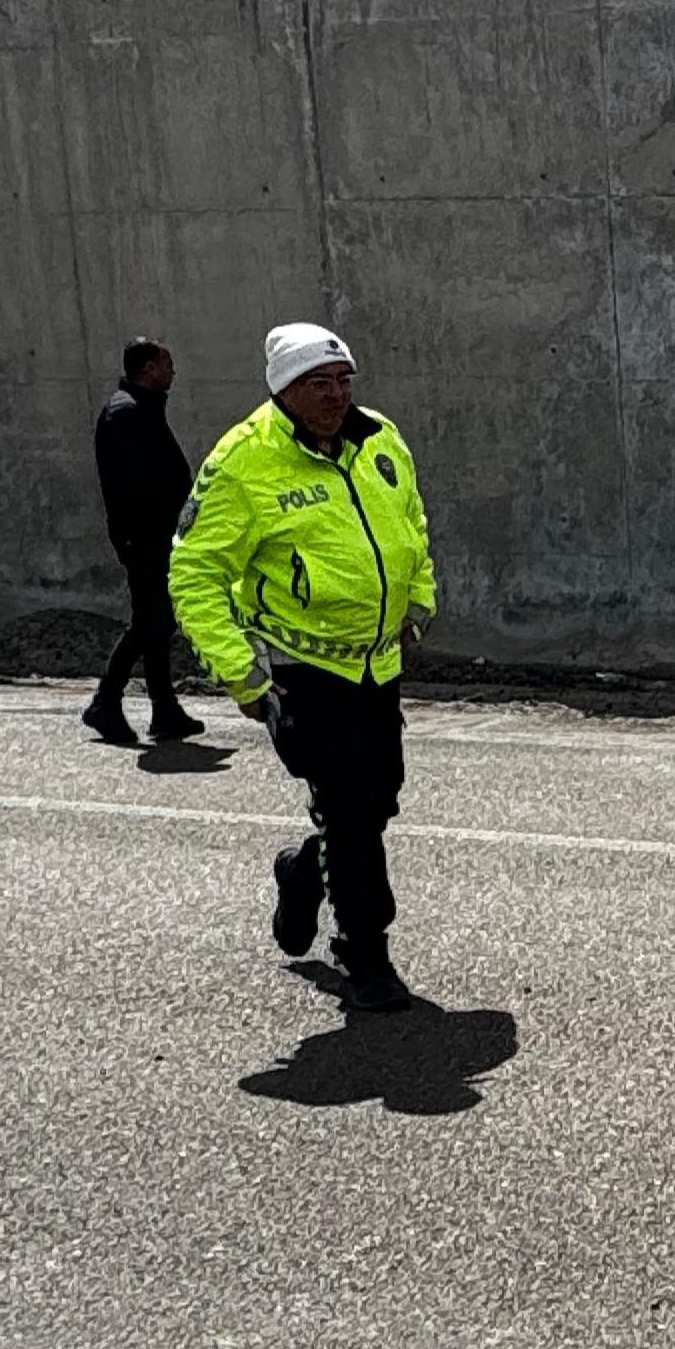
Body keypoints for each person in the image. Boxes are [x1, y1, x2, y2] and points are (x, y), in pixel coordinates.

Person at [167, 322, 438, 1013]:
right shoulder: (244, 461)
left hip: (375, 665)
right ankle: (365, 951)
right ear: (283, 389)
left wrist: (418, 602)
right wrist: (241, 673)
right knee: (349, 811)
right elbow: (196, 572)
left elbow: (411, 524)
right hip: (302, 668)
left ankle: (303, 872)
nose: (336, 395)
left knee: (377, 802)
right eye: (319, 383)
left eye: (344, 380)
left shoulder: (380, 439)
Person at [84, 338, 202, 747]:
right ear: (148, 368)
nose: (173, 371)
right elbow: (137, 486)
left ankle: (164, 708)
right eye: (167, 363)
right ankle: (106, 701)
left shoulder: (141, 409)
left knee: (158, 622)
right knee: (149, 621)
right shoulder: (126, 414)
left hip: (156, 535)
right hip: (146, 538)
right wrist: (148, 536)